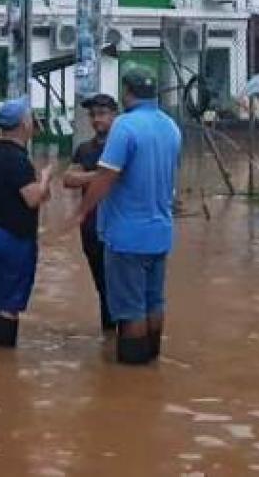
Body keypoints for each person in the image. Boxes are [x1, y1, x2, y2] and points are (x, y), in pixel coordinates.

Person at [70, 68, 181, 365]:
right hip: (161, 233)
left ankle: (132, 374)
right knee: (153, 302)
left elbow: (107, 176)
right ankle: (152, 362)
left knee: (131, 310)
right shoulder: (171, 126)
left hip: (126, 236)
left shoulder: (125, 127)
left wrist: (82, 212)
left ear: (127, 92)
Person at [0, 97, 52, 348]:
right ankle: (2, 364)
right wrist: (45, 179)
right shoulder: (18, 160)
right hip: (14, 238)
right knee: (10, 304)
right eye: (30, 116)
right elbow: (32, 199)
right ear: (23, 124)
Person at [62, 93, 119, 331]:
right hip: (91, 227)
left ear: (115, 115)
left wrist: (91, 178)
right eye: (93, 115)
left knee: (121, 285)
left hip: (119, 226)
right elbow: (68, 178)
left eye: (103, 114)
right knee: (102, 286)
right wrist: (101, 176)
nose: (97, 119)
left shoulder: (123, 145)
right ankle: (110, 334)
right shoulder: (85, 149)